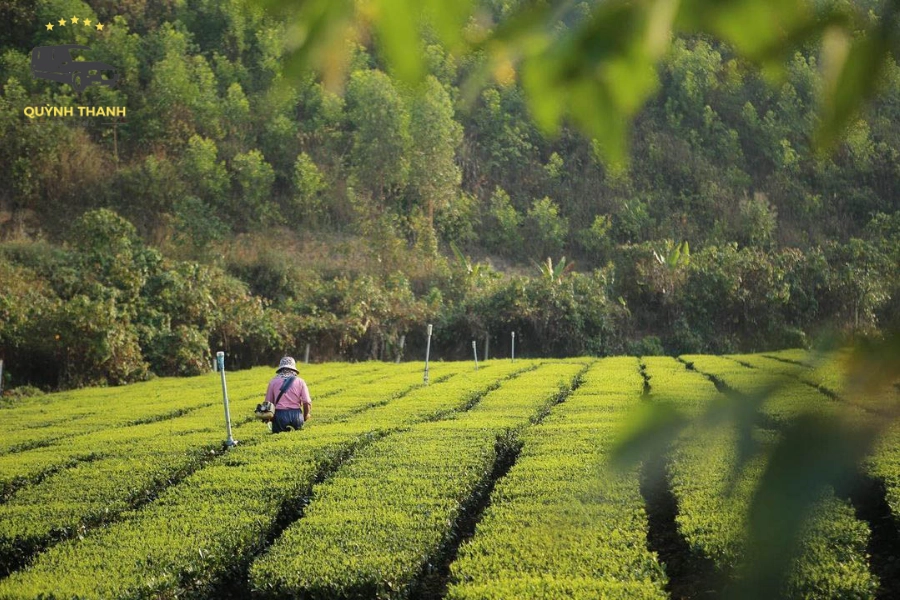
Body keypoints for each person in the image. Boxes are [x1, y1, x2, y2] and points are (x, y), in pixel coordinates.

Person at [264, 356, 312, 433]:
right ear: (293, 369)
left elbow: (268, 403)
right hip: (296, 415)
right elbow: (307, 402)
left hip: (279, 415)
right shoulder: (300, 381)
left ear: (281, 369)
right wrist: (305, 416)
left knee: (278, 441)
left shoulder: (273, 382)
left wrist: (270, 418)